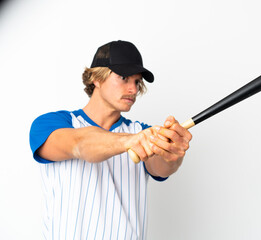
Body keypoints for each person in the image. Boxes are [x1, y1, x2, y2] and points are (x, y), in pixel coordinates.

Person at [29, 40, 192, 239]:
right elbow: (81, 144)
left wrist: (172, 153)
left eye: (137, 81)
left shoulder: (141, 132)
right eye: (124, 77)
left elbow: (161, 167)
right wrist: (131, 141)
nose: (133, 89)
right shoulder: (51, 124)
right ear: (96, 78)